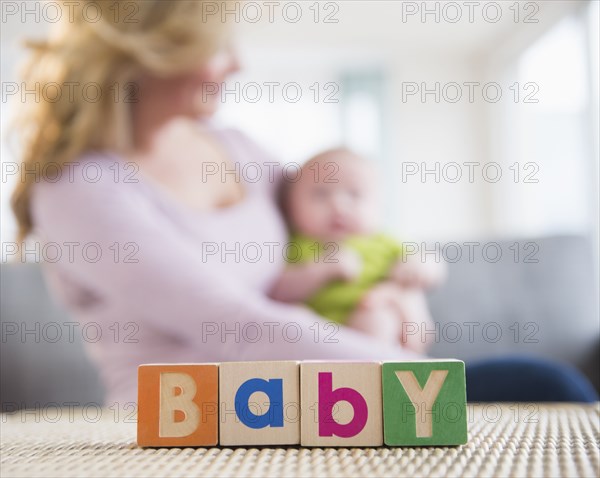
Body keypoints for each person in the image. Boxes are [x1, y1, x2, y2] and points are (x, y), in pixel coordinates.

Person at [11, 1, 420, 406]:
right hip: (180, 433)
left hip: (311, 408)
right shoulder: (79, 188)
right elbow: (236, 328)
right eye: (217, 46)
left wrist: (398, 295)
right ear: (150, 51)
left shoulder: (241, 149)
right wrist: (419, 379)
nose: (237, 64)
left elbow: (347, 239)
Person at [270, 148, 446, 352]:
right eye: (321, 194)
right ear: (290, 207)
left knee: (377, 319)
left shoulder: (382, 240)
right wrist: (320, 269)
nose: (339, 205)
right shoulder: (297, 245)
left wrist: (421, 265)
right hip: (321, 335)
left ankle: (376, 372)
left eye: (355, 194)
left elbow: (431, 262)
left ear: (379, 206)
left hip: (375, 317)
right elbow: (278, 292)